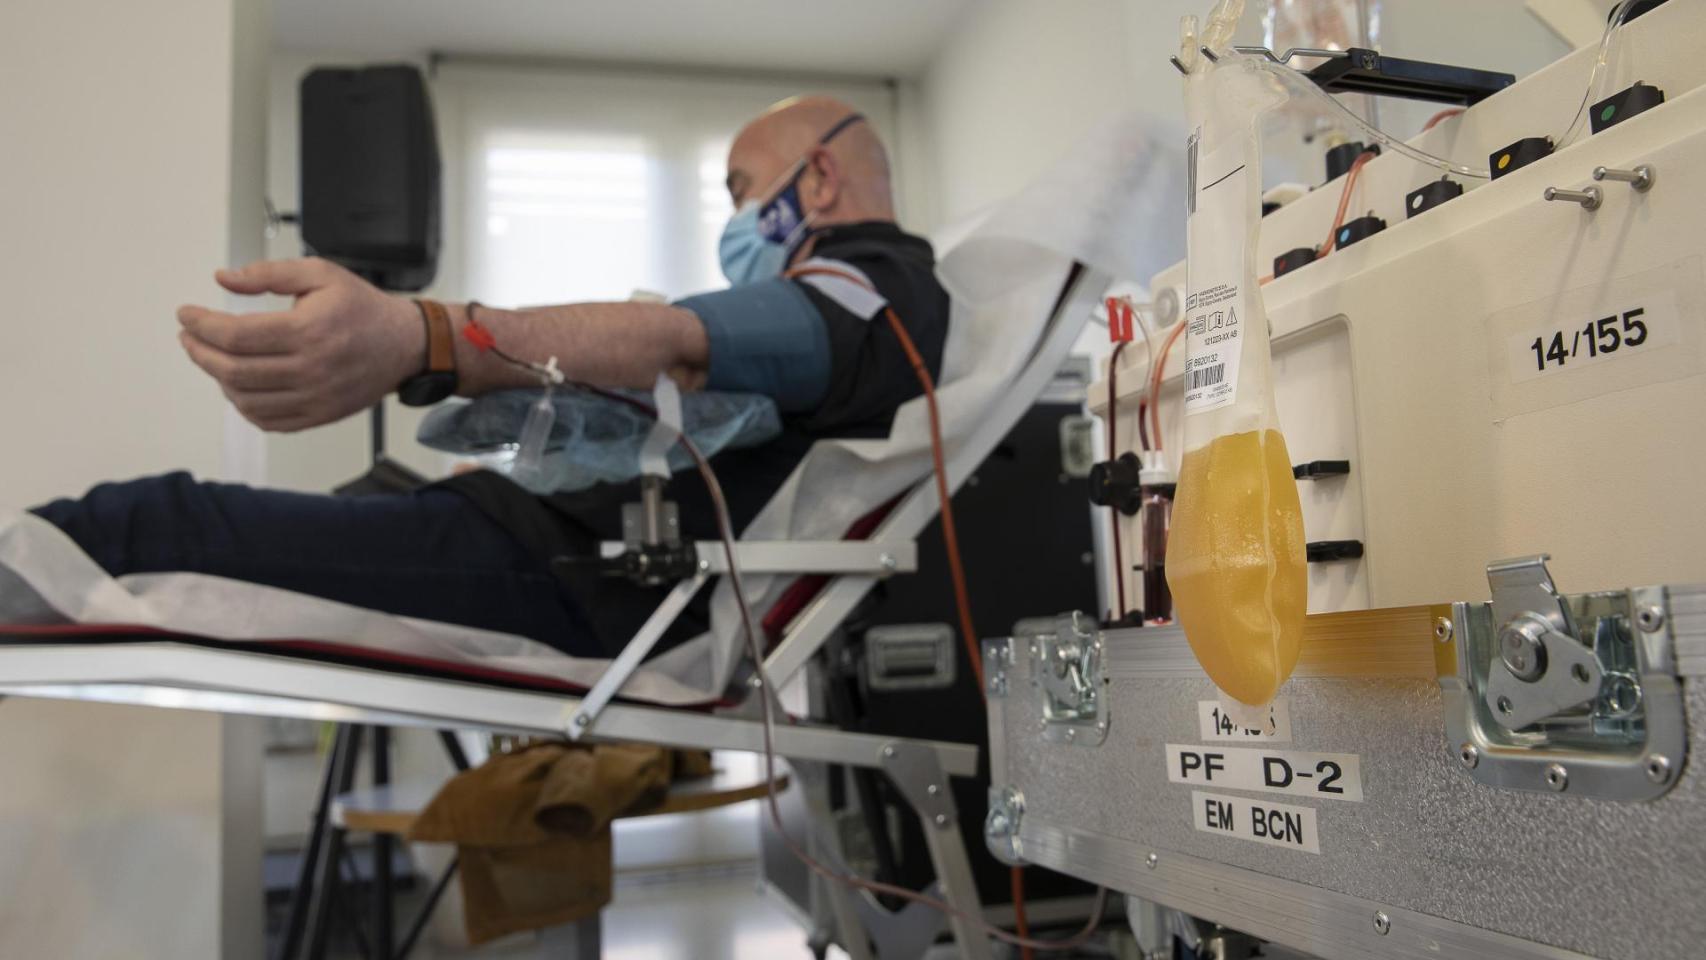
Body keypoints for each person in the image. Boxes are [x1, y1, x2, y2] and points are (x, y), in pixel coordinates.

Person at [29, 95, 949, 659]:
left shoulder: (883, 287)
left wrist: (424, 338)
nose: (736, 220)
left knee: (143, 525)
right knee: (147, 523)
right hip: (551, 554)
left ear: (818, 179)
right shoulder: (873, 305)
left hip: (562, 577)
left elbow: (682, 339)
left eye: (743, 189)